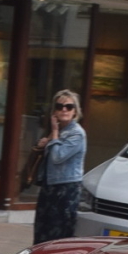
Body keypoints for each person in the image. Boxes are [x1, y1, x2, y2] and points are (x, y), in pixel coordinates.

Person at [32, 90, 86, 244]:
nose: (64, 110)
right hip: (49, 188)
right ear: (54, 110)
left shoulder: (77, 134)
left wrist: (54, 133)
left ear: (75, 111)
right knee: (41, 234)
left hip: (66, 190)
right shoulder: (57, 131)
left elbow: (57, 157)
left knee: (58, 237)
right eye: (60, 106)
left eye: (69, 106)